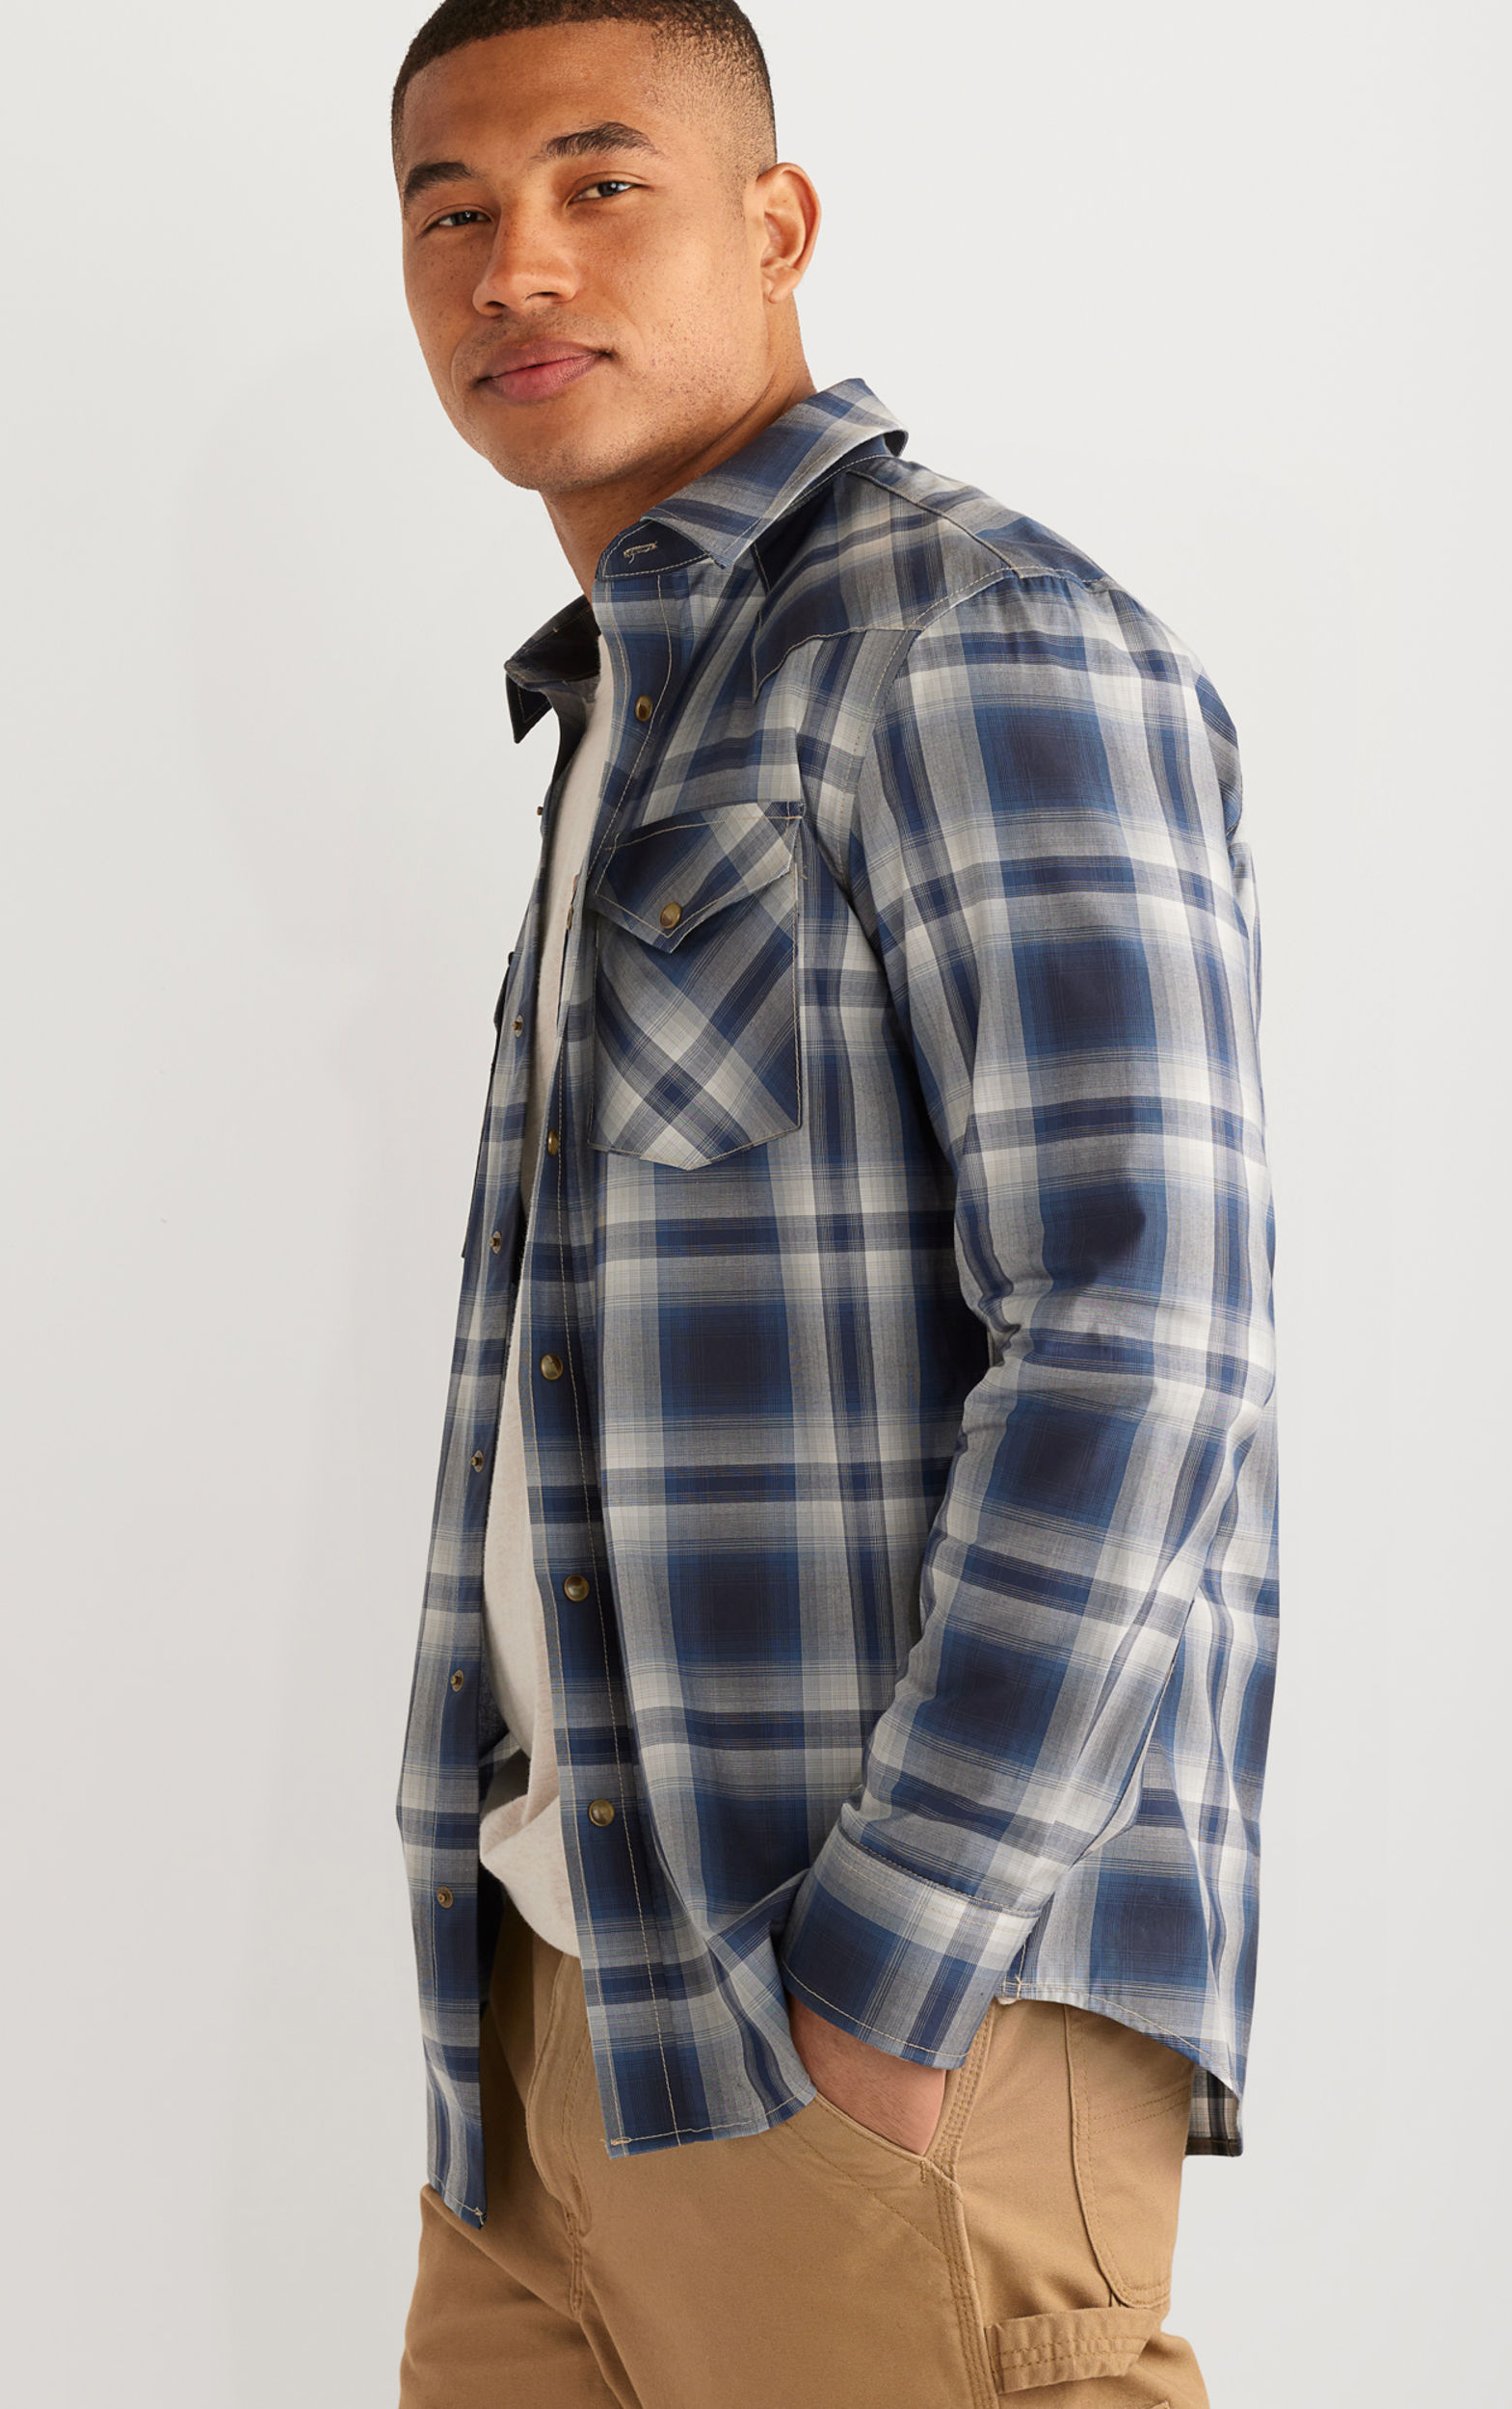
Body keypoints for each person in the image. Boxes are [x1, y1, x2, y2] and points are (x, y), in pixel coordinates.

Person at [388, 5, 1277, 2402]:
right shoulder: (632, 699)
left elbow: (1143, 1327)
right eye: (449, 209)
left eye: (598, 184)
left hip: (861, 2025)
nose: (511, 264)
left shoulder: (966, 635)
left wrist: (890, 1961)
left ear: (775, 227)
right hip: (553, 2026)